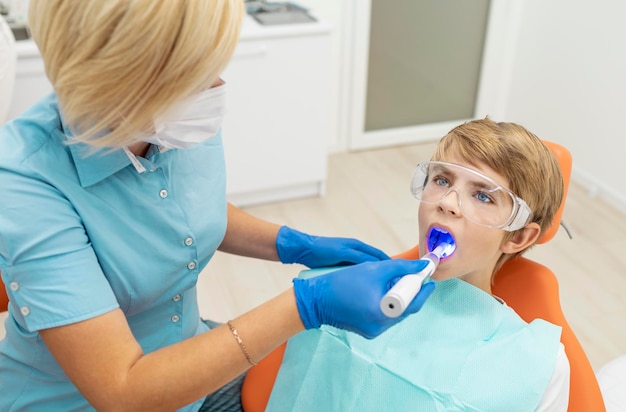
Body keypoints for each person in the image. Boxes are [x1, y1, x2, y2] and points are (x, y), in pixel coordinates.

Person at [0, 1, 435, 411]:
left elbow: (181, 210)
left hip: (194, 361)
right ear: (130, 84)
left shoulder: (172, 120)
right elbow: (123, 390)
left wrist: (293, 244)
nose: (217, 87)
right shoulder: (24, 183)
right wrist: (304, 306)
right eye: (197, 73)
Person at [267, 118, 570, 411]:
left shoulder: (539, 365)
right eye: (441, 180)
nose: (448, 203)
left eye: (482, 196)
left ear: (517, 237)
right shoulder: (348, 292)